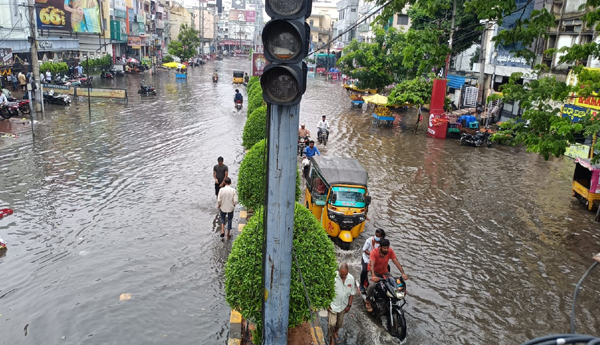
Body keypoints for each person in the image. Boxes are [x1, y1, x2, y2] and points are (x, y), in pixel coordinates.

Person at [365, 238, 409, 312]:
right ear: (380, 247)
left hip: (384, 271)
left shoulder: (390, 251)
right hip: (374, 272)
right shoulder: (374, 252)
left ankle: (390, 299)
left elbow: (396, 261)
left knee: (394, 283)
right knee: (372, 285)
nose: (386, 250)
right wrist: (373, 275)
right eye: (384, 248)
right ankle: (368, 300)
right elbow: (372, 265)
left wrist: (403, 273)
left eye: (387, 248)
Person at [328, 263, 355, 344]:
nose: (344, 276)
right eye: (342, 274)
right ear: (338, 270)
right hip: (333, 305)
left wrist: (349, 305)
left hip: (343, 306)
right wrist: (327, 303)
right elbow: (327, 290)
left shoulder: (351, 278)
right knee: (331, 324)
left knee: (339, 323)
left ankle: (335, 332)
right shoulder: (333, 276)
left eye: (345, 274)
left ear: (348, 272)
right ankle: (331, 338)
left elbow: (352, 293)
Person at [360, 229, 386, 294]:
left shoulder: (382, 243)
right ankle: (361, 284)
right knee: (365, 270)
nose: (377, 237)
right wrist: (372, 254)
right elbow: (364, 250)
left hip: (378, 260)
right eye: (376, 236)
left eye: (379, 236)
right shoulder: (369, 240)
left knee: (386, 268)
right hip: (367, 259)